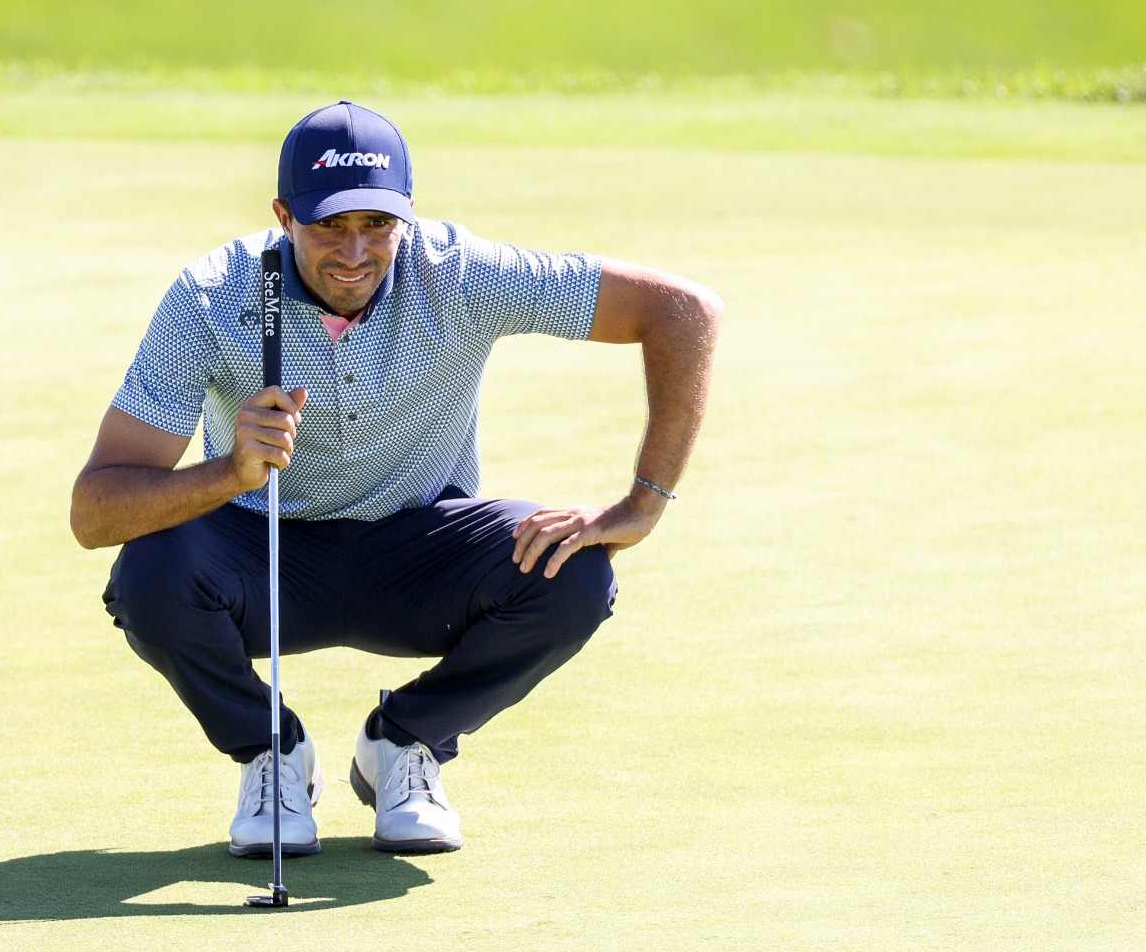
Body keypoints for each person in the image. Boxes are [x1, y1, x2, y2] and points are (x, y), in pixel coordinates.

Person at [70, 101, 720, 857]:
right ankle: (269, 751)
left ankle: (406, 742)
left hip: (421, 551)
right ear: (284, 215)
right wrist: (228, 471)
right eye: (327, 226)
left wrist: (646, 502)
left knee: (573, 573)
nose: (354, 251)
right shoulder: (212, 296)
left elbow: (683, 312)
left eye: (376, 224)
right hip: (262, 552)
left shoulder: (463, 274)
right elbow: (95, 512)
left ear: (407, 215)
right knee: (150, 569)